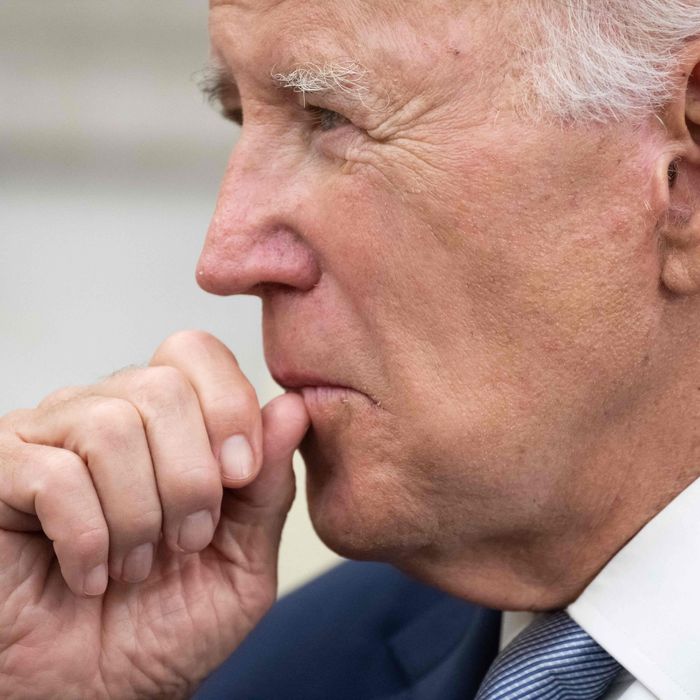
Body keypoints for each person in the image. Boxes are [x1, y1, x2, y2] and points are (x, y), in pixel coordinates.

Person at [1, 0, 700, 698]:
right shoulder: (268, 668)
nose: (226, 257)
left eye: (330, 118)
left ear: (685, 174)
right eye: (242, 120)